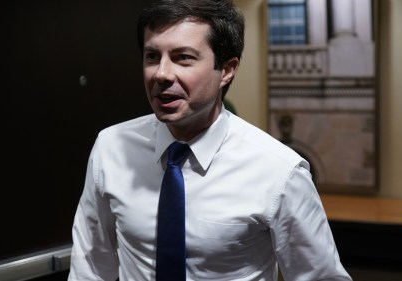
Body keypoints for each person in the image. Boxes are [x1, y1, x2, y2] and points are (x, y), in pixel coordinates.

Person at [68, 0, 352, 280]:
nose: (162, 74)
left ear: (226, 70)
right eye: (152, 56)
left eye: (183, 58)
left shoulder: (280, 172)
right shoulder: (111, 147)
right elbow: (90, 268)